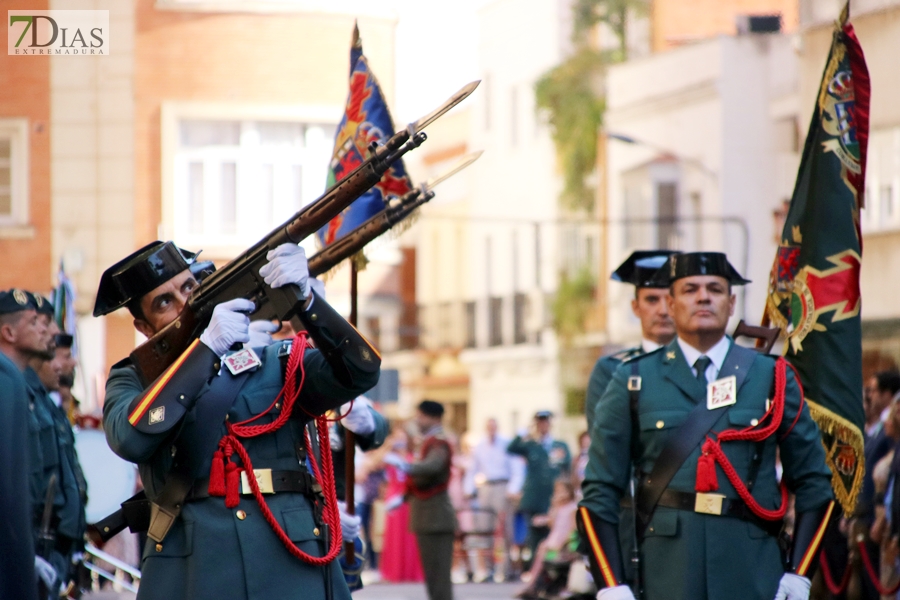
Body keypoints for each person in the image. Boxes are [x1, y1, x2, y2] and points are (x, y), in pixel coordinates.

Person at [94, 240, 381, 600]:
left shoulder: (274, 359)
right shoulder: (133, 378)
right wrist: (206, 348)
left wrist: (308, 303)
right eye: (164, 302)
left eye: (189, 287)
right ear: (144, 326)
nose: (186, 304)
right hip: (196, 563)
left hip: (288, 556)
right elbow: (130, 439)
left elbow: (361, 372)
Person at [578, 251, 835, 600]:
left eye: (715, 289)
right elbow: (600, 493)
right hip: (665, 572)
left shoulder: (771, 377)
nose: (703, 297)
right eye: (690, 289)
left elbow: (814, 482)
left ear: (731, 303)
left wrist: (799, 574)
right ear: (670, 303)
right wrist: (611, 584)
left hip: (751, 571)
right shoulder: (634, 379)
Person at [585, 250, 678, 432]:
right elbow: (604, 446)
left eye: (670, 300)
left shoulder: (704, 364)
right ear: (635, 307)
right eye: (652, 300)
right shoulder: (612, 370)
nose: (663, 310)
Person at [386, 400, 457, 600]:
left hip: (436, 516)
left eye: (421, 416)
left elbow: (433, 466)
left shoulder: (439, 440)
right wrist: (403, 498)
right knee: (433, 578)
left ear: (434, 417)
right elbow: (423, 478)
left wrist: (406, 466)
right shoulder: (428, 440)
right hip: (427, 516)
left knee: (439, 579)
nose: (418, 420)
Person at [0, 290, 39, 600]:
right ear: (8, 332)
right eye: (34, 321)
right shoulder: (6, 376)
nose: (45, 329)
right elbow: (10, 490)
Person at [463, 417, 525, 582]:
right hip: (486, 487)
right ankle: (486, 568)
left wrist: (512, 489)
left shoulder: (506, 443)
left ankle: (503, 569)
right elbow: (472, 469)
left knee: (504, 529)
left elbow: (516, 468)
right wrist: (468, 489)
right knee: (483, 529)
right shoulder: (480, 445)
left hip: (502, 486)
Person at [508, 411, 571, 566]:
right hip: (534, 497)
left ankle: (549, 568)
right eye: (540, 422)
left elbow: (566, 466)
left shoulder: (559, 445)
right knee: (534, 535)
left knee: (553, 533)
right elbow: (511, 448)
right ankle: (534, 568)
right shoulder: (531, 445)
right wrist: (525, 430)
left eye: (545, 422)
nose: (543, 425)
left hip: (553, 497)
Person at [378, 427, 425, 583]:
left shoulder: (413, 457)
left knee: (411, 535)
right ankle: (394, 571)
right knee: (395, 534)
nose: (399, 441)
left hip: (409, 496)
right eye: (396, 437)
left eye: (402, 437)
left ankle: (411, 572)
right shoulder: (389, 457)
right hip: (393, 496)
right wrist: (387, 446)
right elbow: (372, 464)